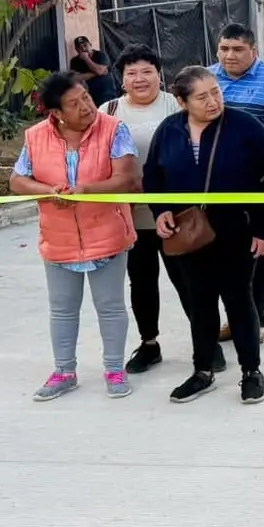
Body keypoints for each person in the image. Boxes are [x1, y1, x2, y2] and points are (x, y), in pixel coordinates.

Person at [144, 66, 264, 404]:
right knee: (200, 302)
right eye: (202, 96)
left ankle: (251, 371)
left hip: (238, 231)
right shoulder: (169, 130)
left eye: (216, 92)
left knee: (239, 300)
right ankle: (202, 371)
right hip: (189, 234)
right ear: (182, 101)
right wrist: (160, 211)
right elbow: (153, 177)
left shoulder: (244, 127)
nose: (213, 101)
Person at [10, 72, 140, 400]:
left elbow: (125, 178)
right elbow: (17, 180)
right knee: (62, 309)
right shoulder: (36, 137)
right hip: (58, 237)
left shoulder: (114, 129)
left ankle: (114, 369)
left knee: (110, 306)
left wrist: (86, 190)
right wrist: (46, 190)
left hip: (107, 233)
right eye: (74, 103)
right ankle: (64, 371)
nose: (86, 106)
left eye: (85, 97)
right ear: (56, 114)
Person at [100, 45, 189, 373]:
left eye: (146, 71)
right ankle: (149, 344)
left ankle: (204, 339)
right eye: (132, 73)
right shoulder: (107, 111)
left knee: (189, 281)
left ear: (159, 75)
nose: (139, 79)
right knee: (142, 282)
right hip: (132, 217)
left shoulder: (176, 106)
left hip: (177, 214)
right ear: (122, 80)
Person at [210, 22, 264, 346]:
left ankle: (255, 317)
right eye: (223, 49)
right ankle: (233, 317)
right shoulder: (208, 80)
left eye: (237, 50)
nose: (229, 56)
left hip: (258, 185)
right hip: (214, 186)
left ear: (253, 51)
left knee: (258, 250)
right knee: (219, 251)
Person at [69, 36, 118, 107]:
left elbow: (100, 71)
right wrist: (96, 73)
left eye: (85, 45)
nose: (83, 49)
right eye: (80, 47)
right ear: (76, 50)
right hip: (89, 98)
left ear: (90, 45)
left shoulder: (100, 55)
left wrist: (86, 59)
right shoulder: (74, 61)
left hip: (107, 95)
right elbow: (76, 78)